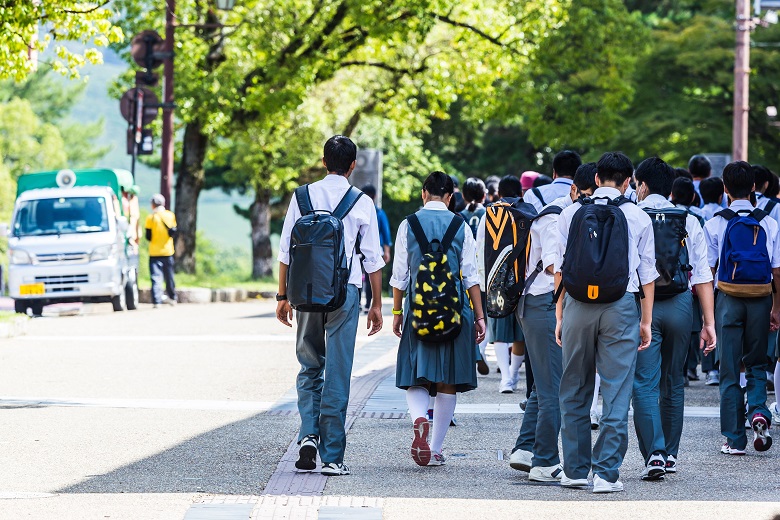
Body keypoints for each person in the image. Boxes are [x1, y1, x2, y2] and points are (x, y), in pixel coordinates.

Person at [276, 135, 385, 476]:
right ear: (352, 165)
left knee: (309, 365)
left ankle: (308, 435)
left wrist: (282, 297)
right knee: (338, 371)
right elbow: (373, 259)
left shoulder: (302, 196)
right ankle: (333, 456)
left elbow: (285, 251)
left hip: (306, 292)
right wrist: (377, 305)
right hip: (345, 294)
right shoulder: (361, 201)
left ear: (323, 162)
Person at [555, 152, 658, 493]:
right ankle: (606, 473)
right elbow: (647, 274)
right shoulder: (638, 218)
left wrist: (560, 316)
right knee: (616, 390)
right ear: (629, 181)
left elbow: (560, 269)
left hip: (577, 306)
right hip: (621, 306)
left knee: (574, 385)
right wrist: (646, 322)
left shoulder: (570, 214)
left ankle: (574, 469)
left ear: (596, 179)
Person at [508, 161, 596, 481]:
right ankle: (544, 461)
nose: (588, 202)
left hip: (546, 305)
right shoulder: (555, 215)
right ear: (573, 190)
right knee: (554, 389)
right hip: (544, 304)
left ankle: (526, 448)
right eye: (585, 195)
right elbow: (552, 267)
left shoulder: (569, 213)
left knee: (546, 383)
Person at [391, 171, 485, 467]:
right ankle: (434, 449)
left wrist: (396, 312)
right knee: (448, 382)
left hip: (418, 310)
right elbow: (471, 275)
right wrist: (480, 316)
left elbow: (399, 276)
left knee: (416, 377)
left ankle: (420, 417)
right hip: (455, 311)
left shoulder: (408, 224)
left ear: (423, 193)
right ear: (450, 197)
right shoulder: (460, 226)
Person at [633, 157, 716, 479]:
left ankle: (653, 453)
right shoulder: (689, 219)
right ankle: (670, 454)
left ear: (641, 184)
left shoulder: (633, 216)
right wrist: (708, 323)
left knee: (644, 383)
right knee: (673, 383)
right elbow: (703, 274)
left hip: (642, 307)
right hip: (682, 305)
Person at [703, 161, 780, 455]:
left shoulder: (715, 223)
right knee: (758, 363)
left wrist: (708, 317)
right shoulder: (769, 223)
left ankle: (735, 440)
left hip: (728, 300)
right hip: (761, 298)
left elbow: (708, 273)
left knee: (730, 370)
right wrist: (776, 307)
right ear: (753, 188)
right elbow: (777, 271)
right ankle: (758, 412)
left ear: (724, 189)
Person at [476, 175, 528, 394]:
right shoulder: (527, 211)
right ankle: (514, 374)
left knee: (499, 331)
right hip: (522, 281)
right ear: (521, 193)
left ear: (498, 193)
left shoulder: (489, 213)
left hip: (494, 281)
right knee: (520, 333)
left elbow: (480, 248)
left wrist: (482, 282)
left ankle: (505, 378)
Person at [460, 177, 490, 375]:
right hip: (485, 270)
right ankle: (481, 349)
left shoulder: (459, 216)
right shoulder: (489, 214)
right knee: (484, 315)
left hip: (464, 272)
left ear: (463, 196)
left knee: (468, 313)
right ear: (484, 195)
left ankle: (473, 350)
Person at [360, 184, 392, 314]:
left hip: (357, 248)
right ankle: (368, 304)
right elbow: (385, 233)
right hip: (374, 248)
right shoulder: (378, 212)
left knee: (358, 276)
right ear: (375, 196)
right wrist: (387, 251)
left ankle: (360, 304)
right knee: (369, 277)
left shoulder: (357, 209)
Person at [145, 194, 178, 308]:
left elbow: (148, 236)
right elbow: (173, 232)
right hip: (168, 251)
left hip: (154, 252)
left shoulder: (151, 218)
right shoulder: (170, 215)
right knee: (169, 277)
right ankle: (172, 297)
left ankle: (156, 301)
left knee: (156, 278)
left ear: (153, 204)